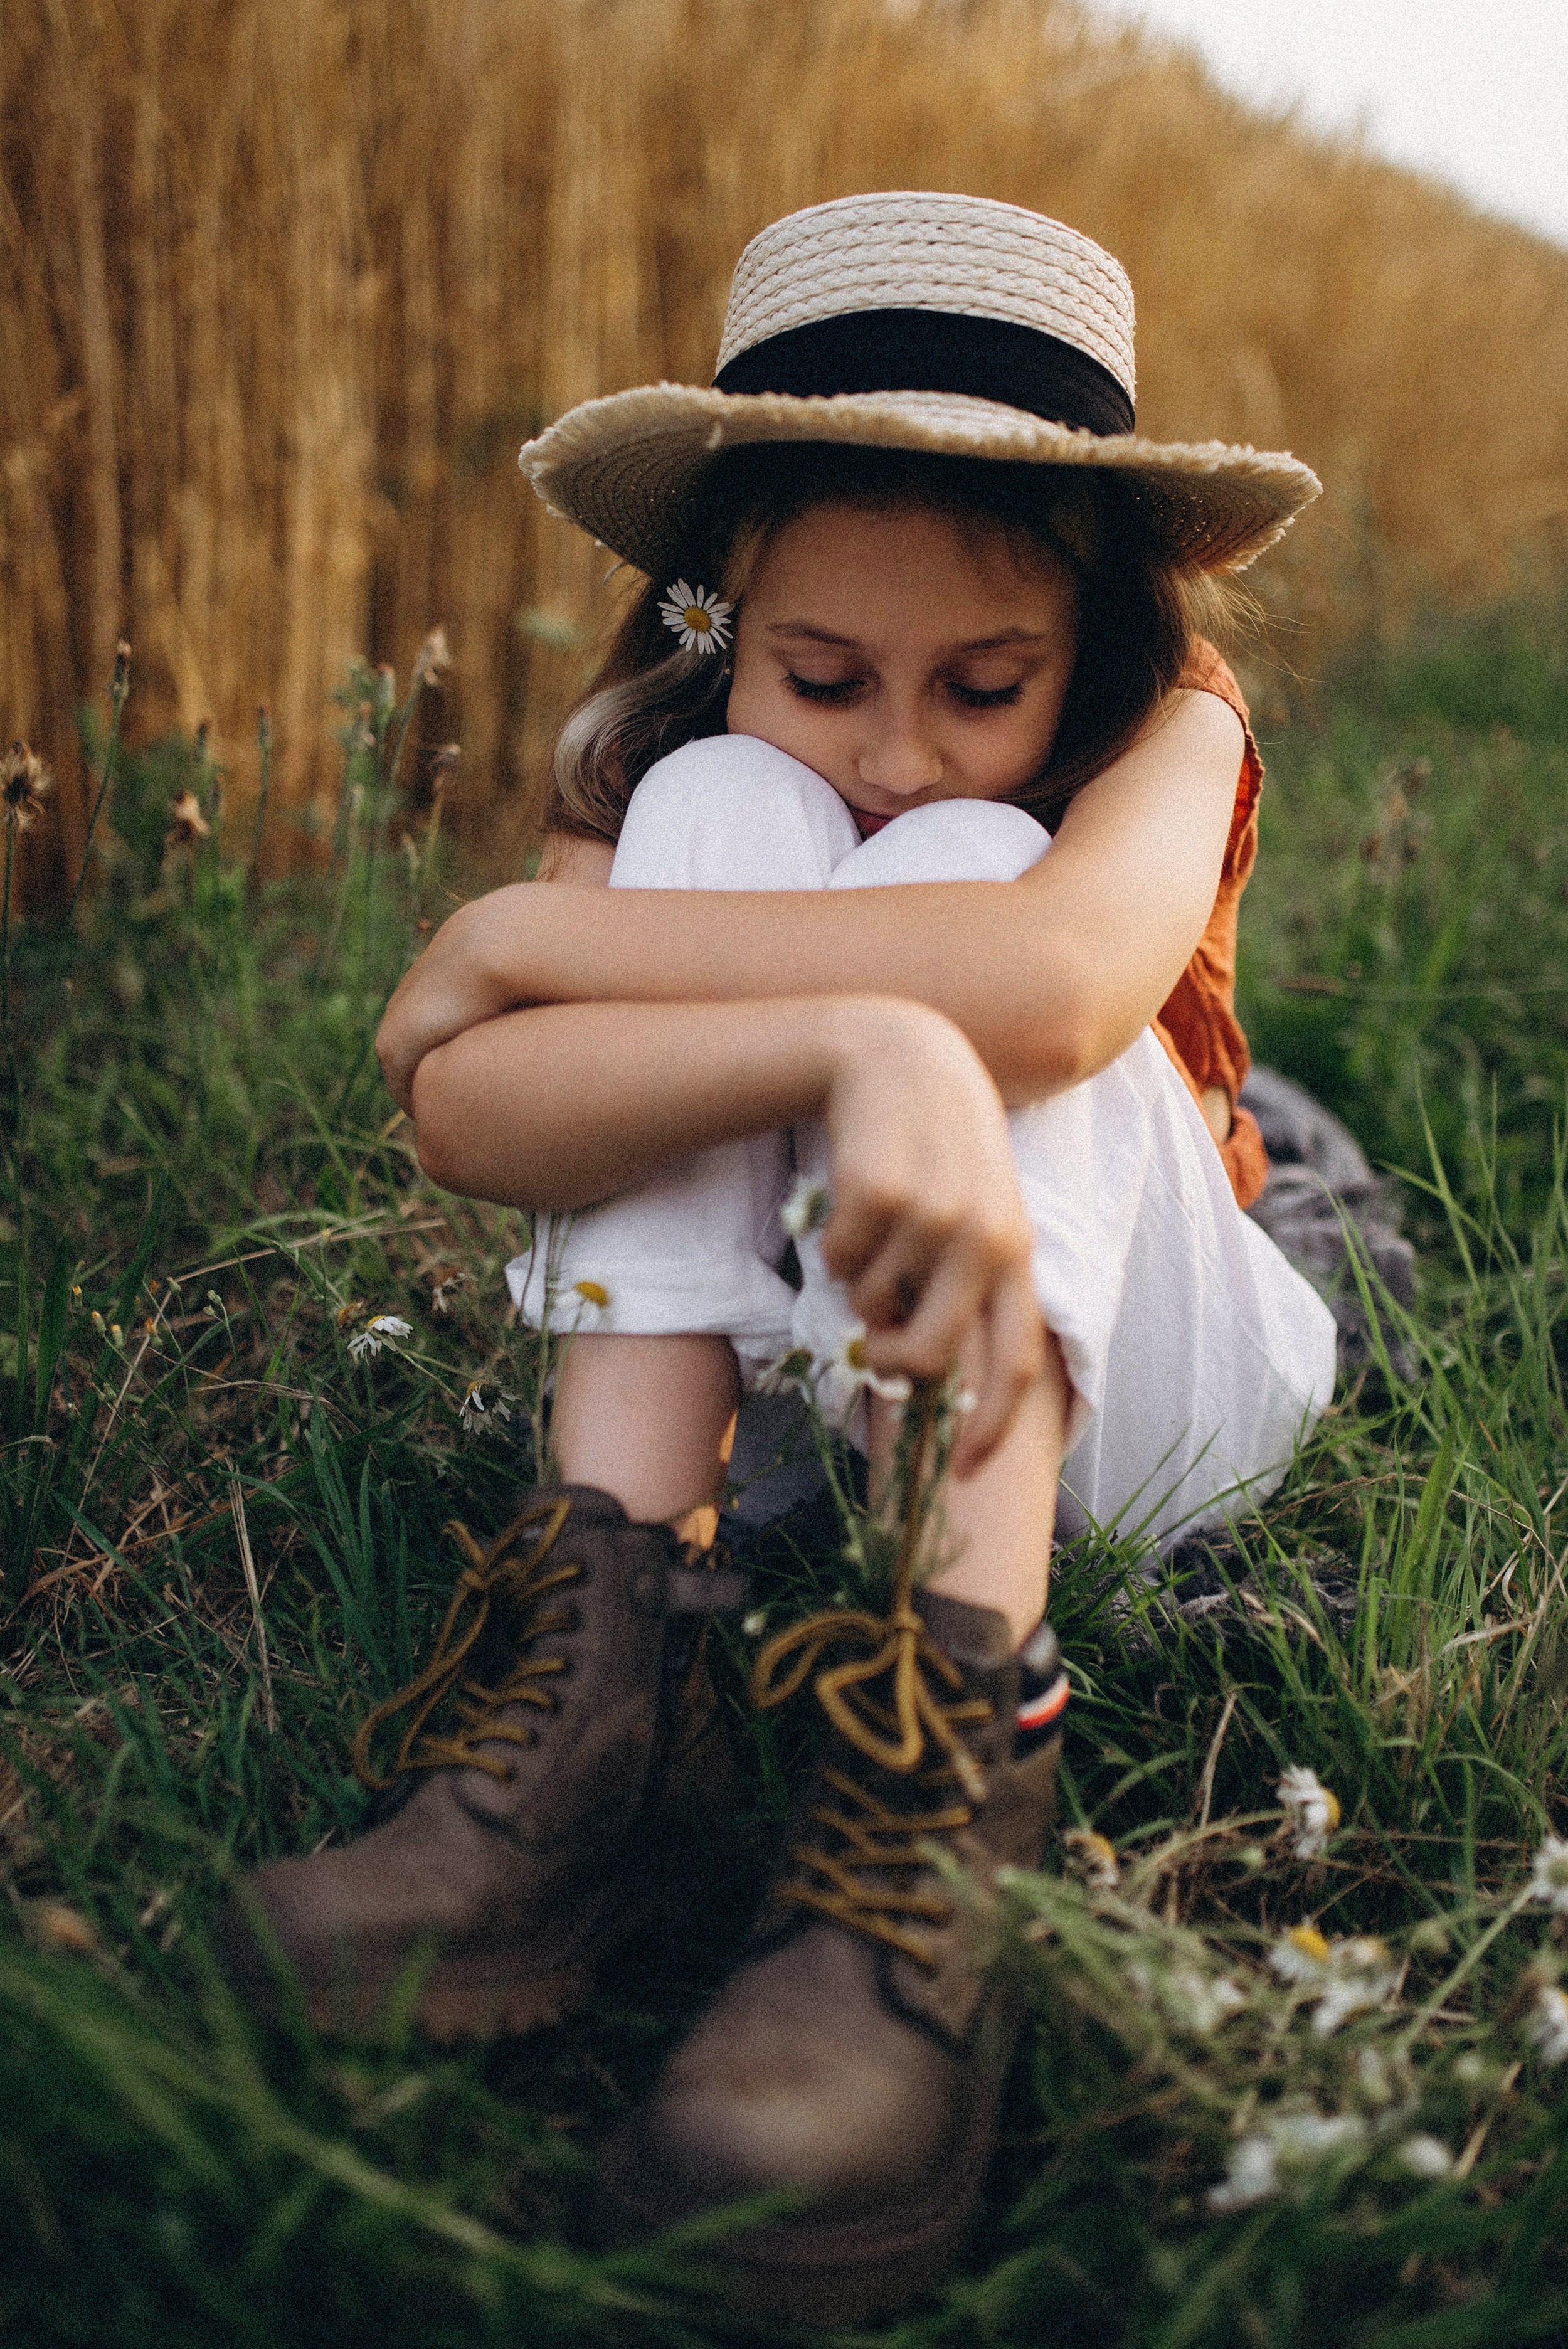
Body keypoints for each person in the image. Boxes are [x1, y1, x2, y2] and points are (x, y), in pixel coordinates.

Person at [224, 193, 1337, 2320]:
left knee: (969, 865)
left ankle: (936, 1768)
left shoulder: (1164, 723)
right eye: (821, 672)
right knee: (736, 814)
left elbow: (1043, 978)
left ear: (1087, 633)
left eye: (981, 681)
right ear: (726, 602)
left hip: (1140, 1394)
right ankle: (600, 1711)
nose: (896, 739)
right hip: (813, 1392)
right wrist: (854, 1034)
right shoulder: (679, 746)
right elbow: (468, 1118)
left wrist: (522, 937)